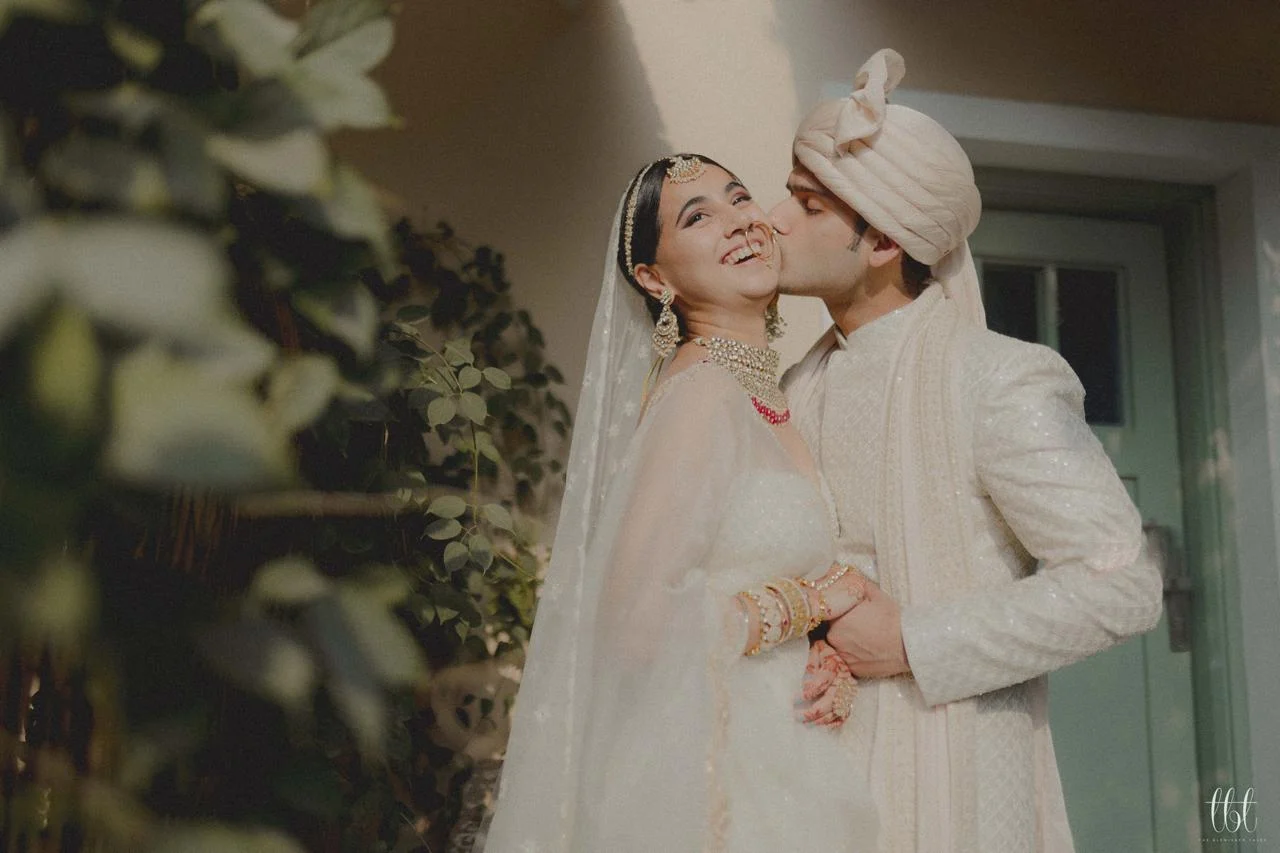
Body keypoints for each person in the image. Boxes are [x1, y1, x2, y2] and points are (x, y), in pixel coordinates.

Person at [772, 49, 1166, 852]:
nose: (775, 220)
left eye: (807, 204)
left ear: (882, 239)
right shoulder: (794, 385)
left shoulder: (996, 377)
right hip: (807, 771)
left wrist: (916, 641)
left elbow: (1124, 585)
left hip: (953, 783)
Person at [480, 154, 879, 852]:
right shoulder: (701, 398)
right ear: (654, 278)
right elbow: (636, 622)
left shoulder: (768, 393)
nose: (740, 224)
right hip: (713, 783)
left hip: (785, 766)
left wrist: (826, 650)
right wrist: (812, 603)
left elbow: (736, 573)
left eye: (739, 198)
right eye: (698, 218)